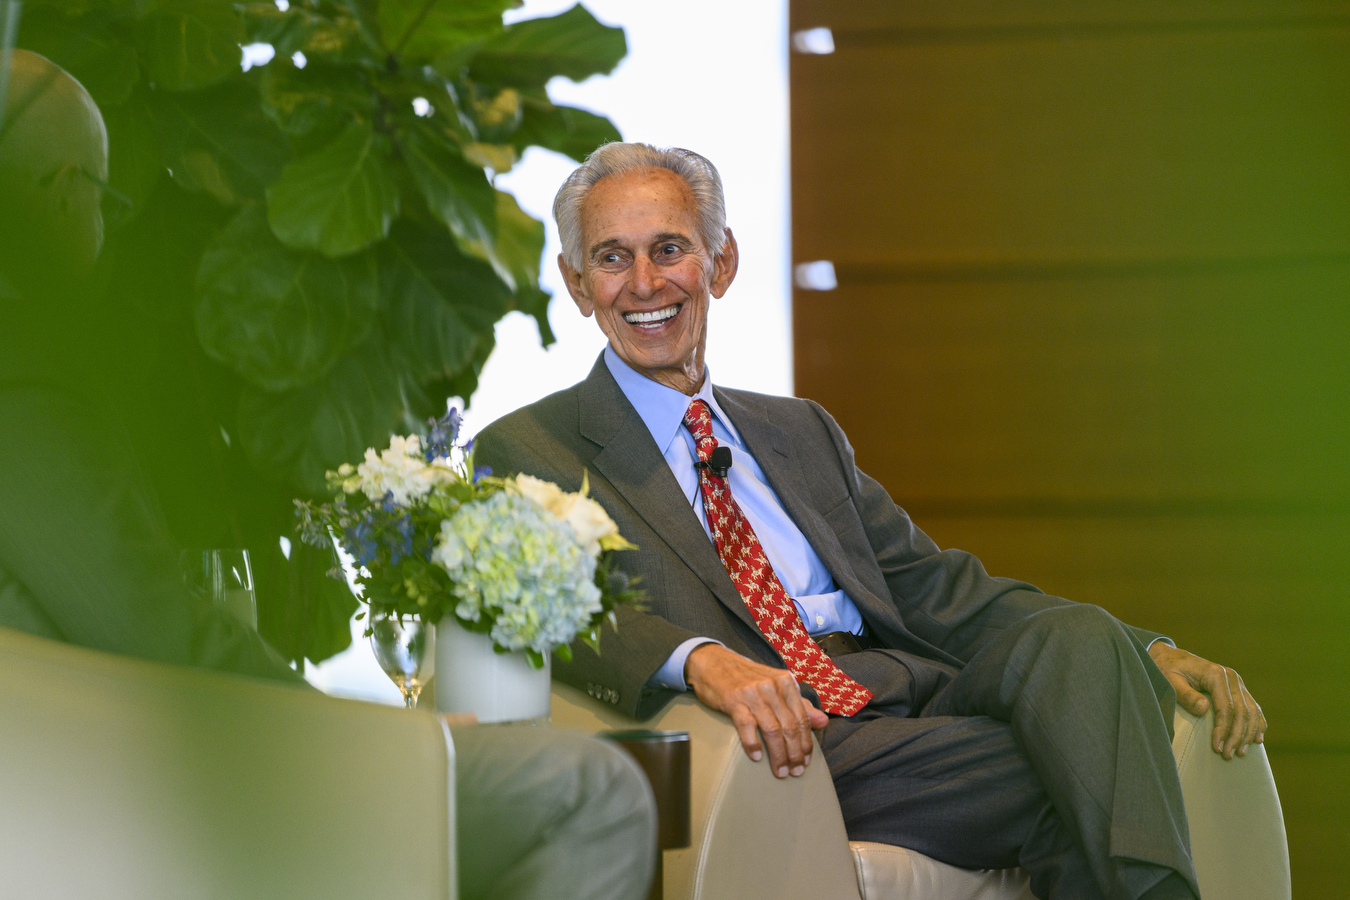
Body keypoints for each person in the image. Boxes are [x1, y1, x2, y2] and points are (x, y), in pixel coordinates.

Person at [473, 142, 1269, 900]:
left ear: (720, 264)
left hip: (908, 696)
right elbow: (546, 614)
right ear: (579, 286)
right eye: (612, 257)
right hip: (788, 734)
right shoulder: (528, 447)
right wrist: (698, 658)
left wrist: (1146, 653)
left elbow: (936, 588)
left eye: (670, 249)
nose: (645, 282)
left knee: (1087, 642)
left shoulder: (799, 430)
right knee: (1087, 763)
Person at [0, 49, 656, 900]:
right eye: (106, 199)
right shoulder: (26, 380)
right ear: (59, 190)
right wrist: (358, 731)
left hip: (105, 767)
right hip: (118, 788)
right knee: (596, 792)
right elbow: (145, 623)